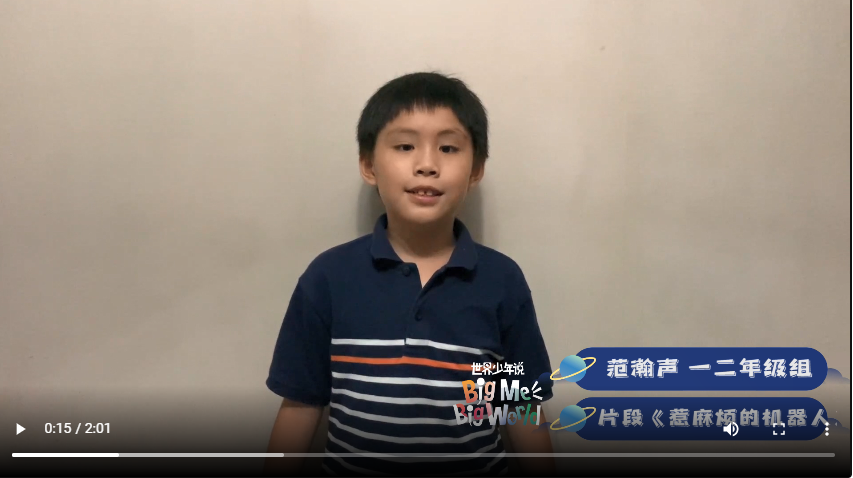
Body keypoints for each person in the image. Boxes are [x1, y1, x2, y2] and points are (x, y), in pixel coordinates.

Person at [264, 72, 555, 476]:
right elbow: (300, 403)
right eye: (405, 146)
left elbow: (520, 405)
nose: (427, 165)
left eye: (448, 148)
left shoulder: (501, 280)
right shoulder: (329, 277)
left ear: (475, 170)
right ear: (369, 165)